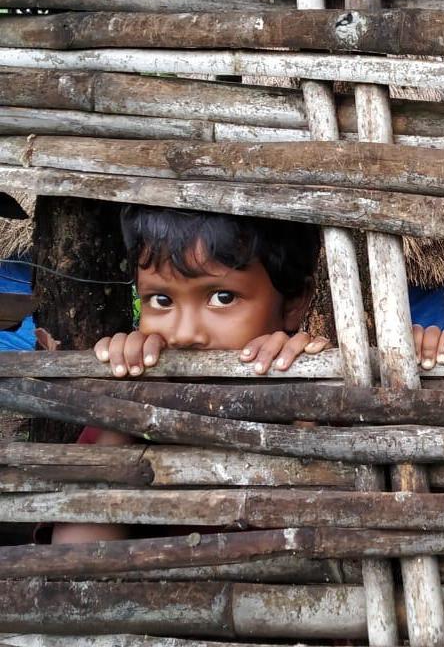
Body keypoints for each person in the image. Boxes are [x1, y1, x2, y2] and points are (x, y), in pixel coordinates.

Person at [51, 205, 329, 544]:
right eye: (161, 300)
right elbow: (75, 557)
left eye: (222, 297)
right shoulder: (133, 400)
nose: (183, 334)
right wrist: (120, 411)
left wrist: (304, 408)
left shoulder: (326, 396)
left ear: (293, 303)